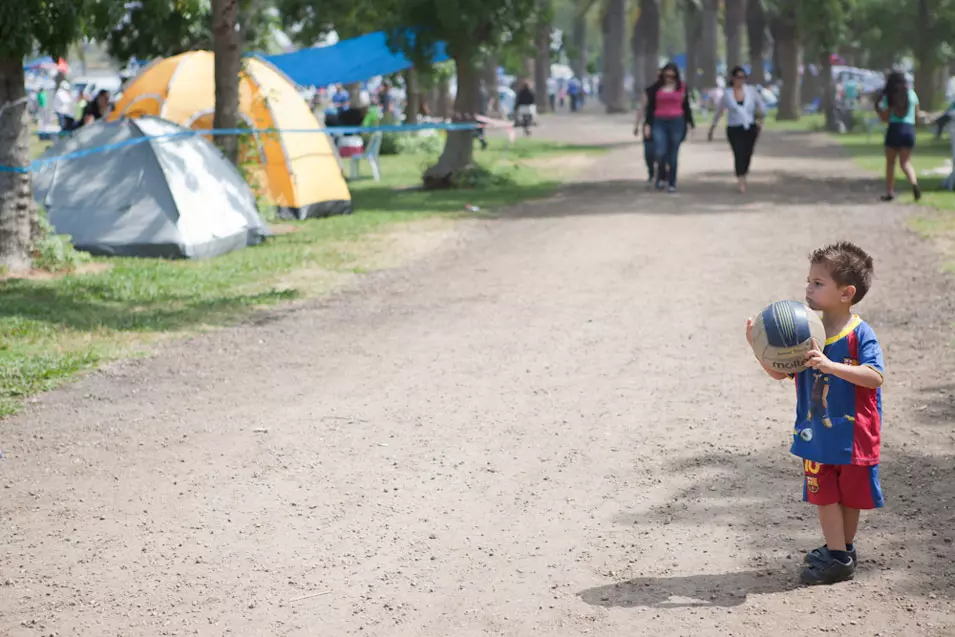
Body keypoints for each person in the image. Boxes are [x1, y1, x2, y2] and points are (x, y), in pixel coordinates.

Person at [746, 242, 884, 586]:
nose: (808, 288)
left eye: (818, 283)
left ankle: (842, 552)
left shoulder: (860, 334)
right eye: (808, 281)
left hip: (854, 435)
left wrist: (831, 365)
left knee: (850, 499)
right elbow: (781, 373)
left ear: (846, 293)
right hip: (816, 435)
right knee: (825, 495)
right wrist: (758, 348)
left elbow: (875, 376)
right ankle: (838, 554)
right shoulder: (802, 333)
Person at [708, 66, 766, 193]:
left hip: (750, 127)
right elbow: (719, 111)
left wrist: (761, 121)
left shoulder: (751, 91)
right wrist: (712, 127)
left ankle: (744, 171)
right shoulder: (727, 94)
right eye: (738, 77)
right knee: (738, 152)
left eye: (743, 77)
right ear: (732, 78)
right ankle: (741, 179)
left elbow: (761, 106)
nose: (740, 80)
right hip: (734, 128)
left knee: (747, 153)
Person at [643, 62, 695, 193]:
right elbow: (650, 108)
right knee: (660, 150)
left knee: (673, 154)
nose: (669, 79)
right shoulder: (656, 89)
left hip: (677, 121)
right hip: (659, 121)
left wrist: (691, 124)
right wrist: (647, 124)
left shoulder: (682, 87)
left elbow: (686, 107)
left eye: (672, 76)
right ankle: (661, 176)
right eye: (667, 76)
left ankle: (672, 181)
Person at [874, 71, 925, 202]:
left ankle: (890, 192)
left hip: (894, 129)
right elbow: (917, 116)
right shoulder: (912, 94)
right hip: (908, 130)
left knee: (890, 163)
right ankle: (914, 183)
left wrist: (878, 110)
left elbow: (885, 118)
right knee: (905, 163)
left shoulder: (890, 97)